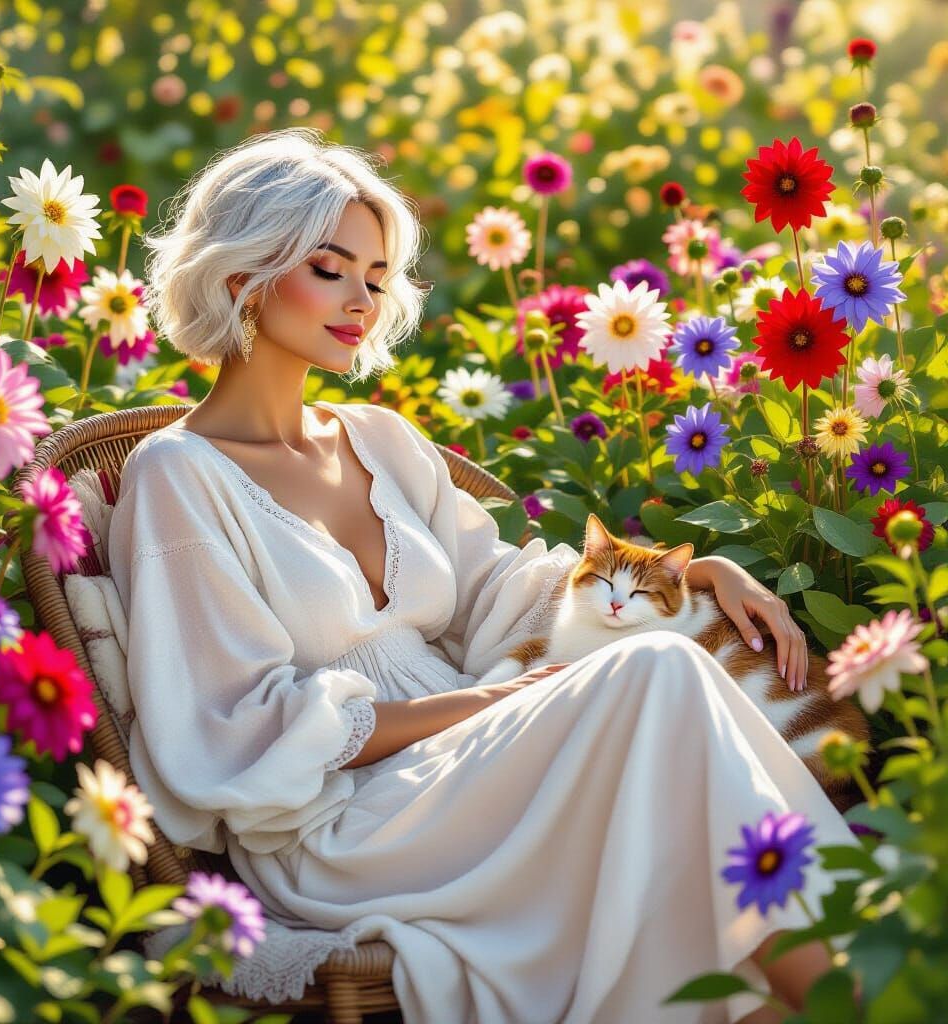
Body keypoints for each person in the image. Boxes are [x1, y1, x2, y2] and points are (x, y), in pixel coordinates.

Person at [108, 127, 862, 1024]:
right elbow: (230, 727)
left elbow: (514, 592)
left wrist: (706, 571)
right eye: (331, 267)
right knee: (658, 674)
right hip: (341, 821)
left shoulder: (381, 440)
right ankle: (866, 996)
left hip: (471, 763)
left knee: (666, 686)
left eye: (377, 277)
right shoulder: (177, 476)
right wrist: (475, 707)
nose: (362, 300)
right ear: (243, 275)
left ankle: (819, 995)